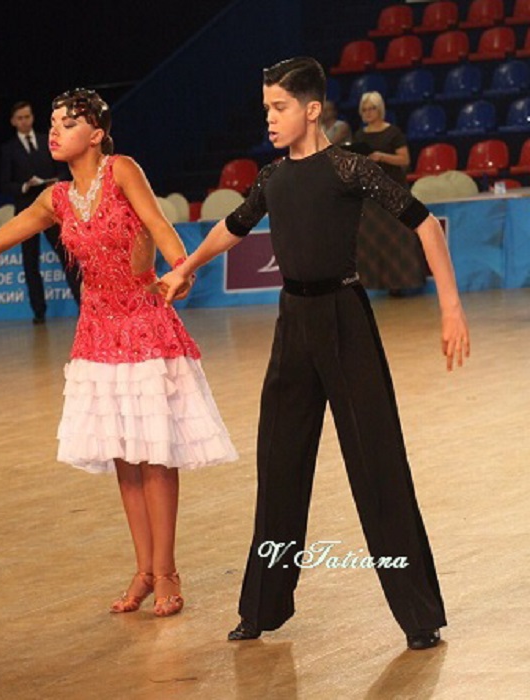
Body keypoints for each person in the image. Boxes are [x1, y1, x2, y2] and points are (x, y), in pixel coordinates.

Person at [159, 57, 470, 650]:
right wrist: (187, 267)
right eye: (266, 109)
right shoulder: (273, 178)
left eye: (279, 108)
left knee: (377, 466)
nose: (270, 119)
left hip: (345, 319)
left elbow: (426, 224)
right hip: (293, 326)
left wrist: (450, 307)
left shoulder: (350, 168)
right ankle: (261, 608)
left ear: (311, 109)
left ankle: (418, 615)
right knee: (278, 466)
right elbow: (234, 225)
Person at [0, 88, 238, 617]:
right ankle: (142, 571)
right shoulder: (56, 199)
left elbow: (159, 224)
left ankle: (167, 572)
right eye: (53, 122)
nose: (55, 130)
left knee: (155, 455)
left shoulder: (122, 170)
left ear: (96, 134)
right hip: (97, 334)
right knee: (124, 457)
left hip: (144, 323)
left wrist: (180, 268)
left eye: (68, 123)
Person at [1, 100, 82, 324]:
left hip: (51, 208)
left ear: (33, 117)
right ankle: (39, 311)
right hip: (26, 211)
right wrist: (24, 186)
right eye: (20, 118)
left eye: (27, 116)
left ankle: (83, 304)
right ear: (13, 121)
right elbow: (5, 184)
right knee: (30, 262)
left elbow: (63, 168)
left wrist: (57, 181)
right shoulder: (9, 150)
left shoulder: (47, 140)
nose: (24, 121)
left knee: (67, 256)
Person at [353, 91, 428, 295]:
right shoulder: (359, 136)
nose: (368, 113)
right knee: (373, 239)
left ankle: (401, 284)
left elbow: (404, 160)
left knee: (400, 237)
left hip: (394, 190)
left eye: (371, 109)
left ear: (380, 110)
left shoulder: (393, 133)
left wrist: (381, 157)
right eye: (364, 110)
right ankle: (376, 282)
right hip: (371, 193)